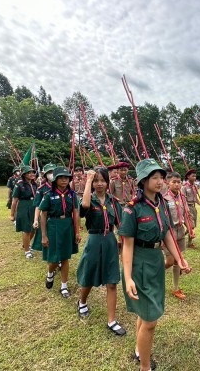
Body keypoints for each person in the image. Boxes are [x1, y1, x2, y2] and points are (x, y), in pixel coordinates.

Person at [120, 159, 191, 371]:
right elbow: (127, 246)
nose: (160, 181)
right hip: (139, 264)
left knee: (146, 314)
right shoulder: (132, 209)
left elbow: (167, 232)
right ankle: (144, 366)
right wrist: (128, 277)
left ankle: (138, 350)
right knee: (150, 320)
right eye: (154, 177)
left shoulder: (161, 204)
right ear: (143, 181)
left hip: (155, 261)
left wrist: (179, 258)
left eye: (161, 177)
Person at [75, 167, 126, 336]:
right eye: (96, 180)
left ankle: (111, 320)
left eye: (102, 180)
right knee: (89, 276)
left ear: (107, 182)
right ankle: (82, 302)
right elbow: (84, 207)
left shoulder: (113, 201)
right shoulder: (90, 199)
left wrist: (123, 242)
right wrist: (88, 180)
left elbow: (120, 224)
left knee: (112, 281)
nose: (99, 184)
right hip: (94, 240)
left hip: (110, 240)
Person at [40, 167, 81, 298]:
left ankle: (64, 286)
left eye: (67, 177)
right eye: (61, 177)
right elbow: (43, 215)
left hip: (67, 225)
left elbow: (75, 212)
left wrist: (77, 231)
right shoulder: (49, 195)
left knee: (65, 257)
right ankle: (50, 273)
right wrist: (44, 235)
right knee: (53, 259)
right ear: (55, 180)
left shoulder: (72, 194)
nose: (64, 180)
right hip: (53, 226)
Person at [162, 171, 192, 300]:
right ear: (167, 183)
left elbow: (186, 214)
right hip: (170, 233)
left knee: (177, 261)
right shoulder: (164, 199)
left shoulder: (182, 197)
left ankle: (175, 288)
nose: (177, 184)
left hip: (180, 232)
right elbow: (162, 218)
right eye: (174, 182)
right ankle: (152, 274)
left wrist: (190, 229)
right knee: (169, 261)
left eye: (179, 182)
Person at [10, 165, 38, 259]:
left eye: (33, 172)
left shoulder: (34, 183)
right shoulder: (19, 184)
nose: (32, 174)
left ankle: (26, 244)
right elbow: (14, 200)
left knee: (34, 228)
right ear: (24, 174)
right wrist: (12, 215)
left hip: (34, 206)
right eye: (29, 172)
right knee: (26, 229)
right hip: (24, 206)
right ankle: (27, 251)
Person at [31, 163, 56, 253]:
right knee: (46, 237)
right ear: (45, 175)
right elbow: (38, 205)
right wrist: (36, 219)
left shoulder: (62, 186)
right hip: (46, 217)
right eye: (49, 172)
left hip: (59, 216)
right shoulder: (42, 188)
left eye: (53, 171)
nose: (52, 174)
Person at [181, 169, 200, 249]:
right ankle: (188, 243)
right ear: (188, 177)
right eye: (193, 176)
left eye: (195, 176)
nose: (194, 177)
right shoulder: (184, 187)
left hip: (193, 207)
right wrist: (186, 208)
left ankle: (180, 237)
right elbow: (183, 199)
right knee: (190, 226)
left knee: (192, 226)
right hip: (187, 207)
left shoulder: (194, 186)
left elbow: (195, 197)